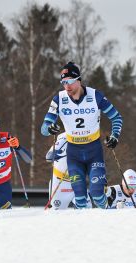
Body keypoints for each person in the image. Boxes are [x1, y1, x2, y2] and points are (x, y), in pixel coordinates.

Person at [41, 62, 123, 209]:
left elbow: (116, 117)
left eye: (70, 82)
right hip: (74, 153)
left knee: (97, 194)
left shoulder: (95, 95)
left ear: (79, 80)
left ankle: (110, 213)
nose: (67, 86)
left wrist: (115, 136)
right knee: (79, 196)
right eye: (64, 82)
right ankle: (82, 229)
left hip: (93, 150)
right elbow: (44, 128)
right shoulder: (59, 99)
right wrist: (50, 128)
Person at [46, 132, 92, 209]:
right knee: (56, 215)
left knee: (87, 211)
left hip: (77, 181)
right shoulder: (64, 137)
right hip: (60, 183)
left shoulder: (89, 136)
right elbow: (49, 156)